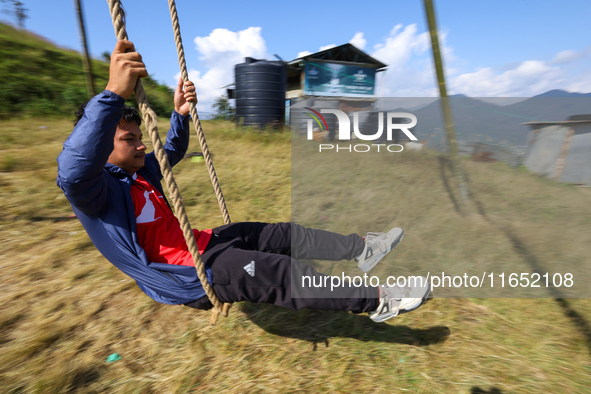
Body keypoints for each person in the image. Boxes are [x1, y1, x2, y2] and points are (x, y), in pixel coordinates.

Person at [57, 40, 430, 323]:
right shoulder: (96, 193)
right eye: (129, 140)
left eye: (139, 136)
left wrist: (180, 113)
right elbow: (72, 170)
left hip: (204, 242)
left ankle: (362, 249)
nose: (141, 145)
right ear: (101, 145)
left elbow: (172, 148)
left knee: (283, 235)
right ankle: (379, 299)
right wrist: (111, 96)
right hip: (191, 274)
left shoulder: (141, 171)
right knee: (280, 271)